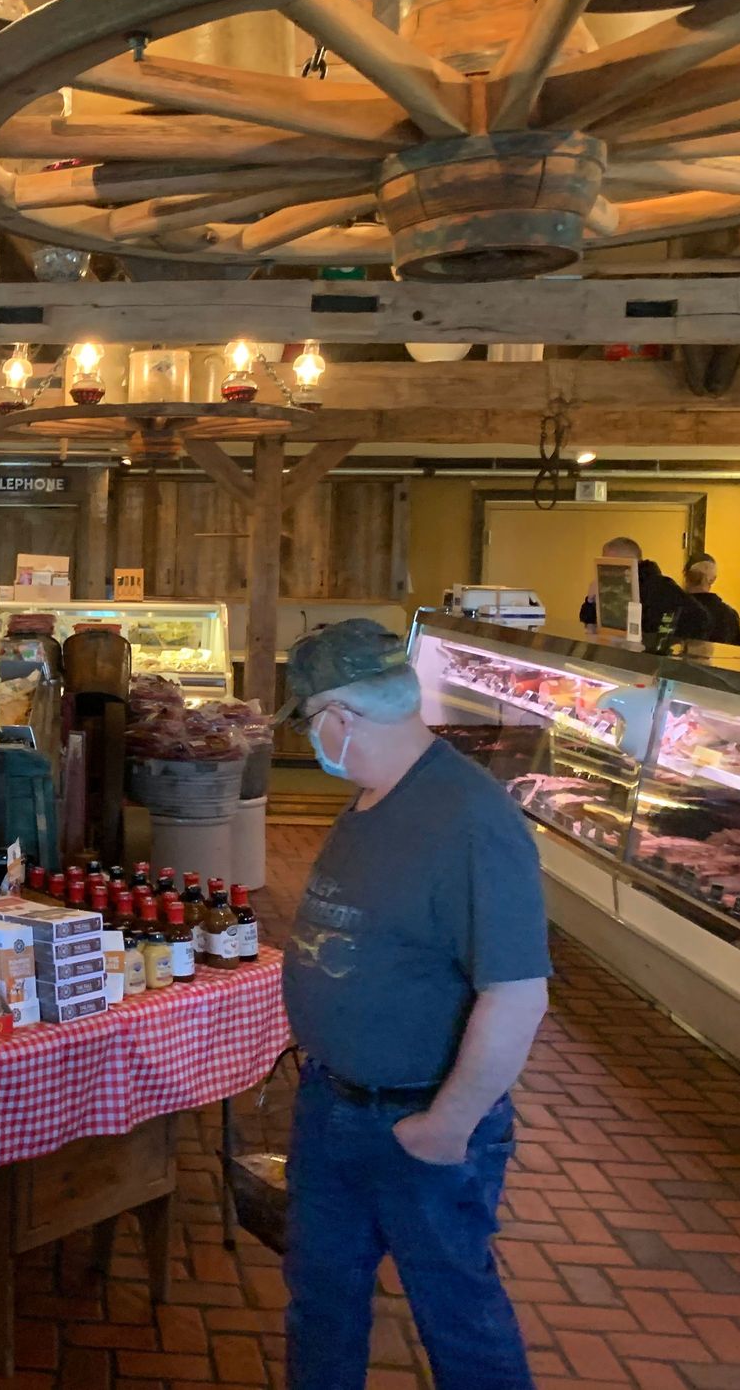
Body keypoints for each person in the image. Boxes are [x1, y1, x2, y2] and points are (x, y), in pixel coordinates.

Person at [278, 620, 551, 1390]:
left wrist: (447, 1126)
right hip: (334, 1106)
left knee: (458, 1321)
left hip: (414, 1121)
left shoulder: (471, 821)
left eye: (308, 721)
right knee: (322, 1302)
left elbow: (517, 995)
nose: (311, 740)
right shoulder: (376, 797)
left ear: (339, 716)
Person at [575, 535, 709, 641]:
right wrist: (591, 600)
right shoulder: (612, 586)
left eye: (611, 565)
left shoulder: (661, 587)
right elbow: (589, 620)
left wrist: (662, 643)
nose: (607, 572)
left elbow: (701, 618)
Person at [683, 553, 740, 646]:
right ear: (713, 579)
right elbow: (737, 651)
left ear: (686, 574)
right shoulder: (729, 615)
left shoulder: (675, 609)